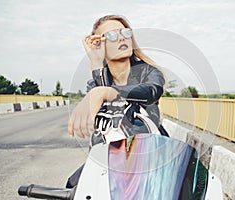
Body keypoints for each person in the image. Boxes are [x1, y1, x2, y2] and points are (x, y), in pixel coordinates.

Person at [66, 14, 168, 188]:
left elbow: (152, 91)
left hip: (150, 153)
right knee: (73, 185)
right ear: (100, 44)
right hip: (110, 158)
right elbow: (106, 113)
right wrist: (96, 63)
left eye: (125, 32)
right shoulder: (95, 84)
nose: (121, 37)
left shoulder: (148, 72)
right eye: (112, 35)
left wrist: (108, 92)